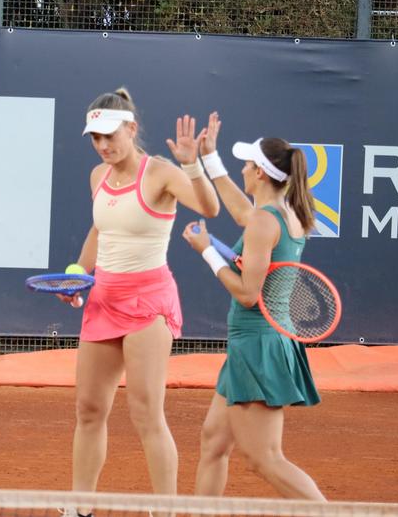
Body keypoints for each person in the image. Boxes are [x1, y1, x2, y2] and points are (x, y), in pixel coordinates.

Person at [64, 88, 220, 516]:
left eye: (110, 135)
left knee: (146, 413)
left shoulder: (161, 174)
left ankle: (164, 511)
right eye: (96, 138)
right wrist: (78, 273)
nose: (103, 145)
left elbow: (209, 207)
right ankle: (79, 508)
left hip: (148, 303)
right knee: (89, 409)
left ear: (131, 129)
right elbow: (101, 230)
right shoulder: (98, 176)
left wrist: (192, 164)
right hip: (103, 300)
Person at [181, 112, 325, 501]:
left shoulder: (265, 221)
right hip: (259, 341)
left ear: (259, 173)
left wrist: (208, 251)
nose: (243, 170)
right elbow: (243, 213)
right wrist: (209, 159)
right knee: (214, 441)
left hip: (258, 346)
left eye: (246, 165)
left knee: (264, 458)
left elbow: (247, 294)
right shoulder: (284, 214)